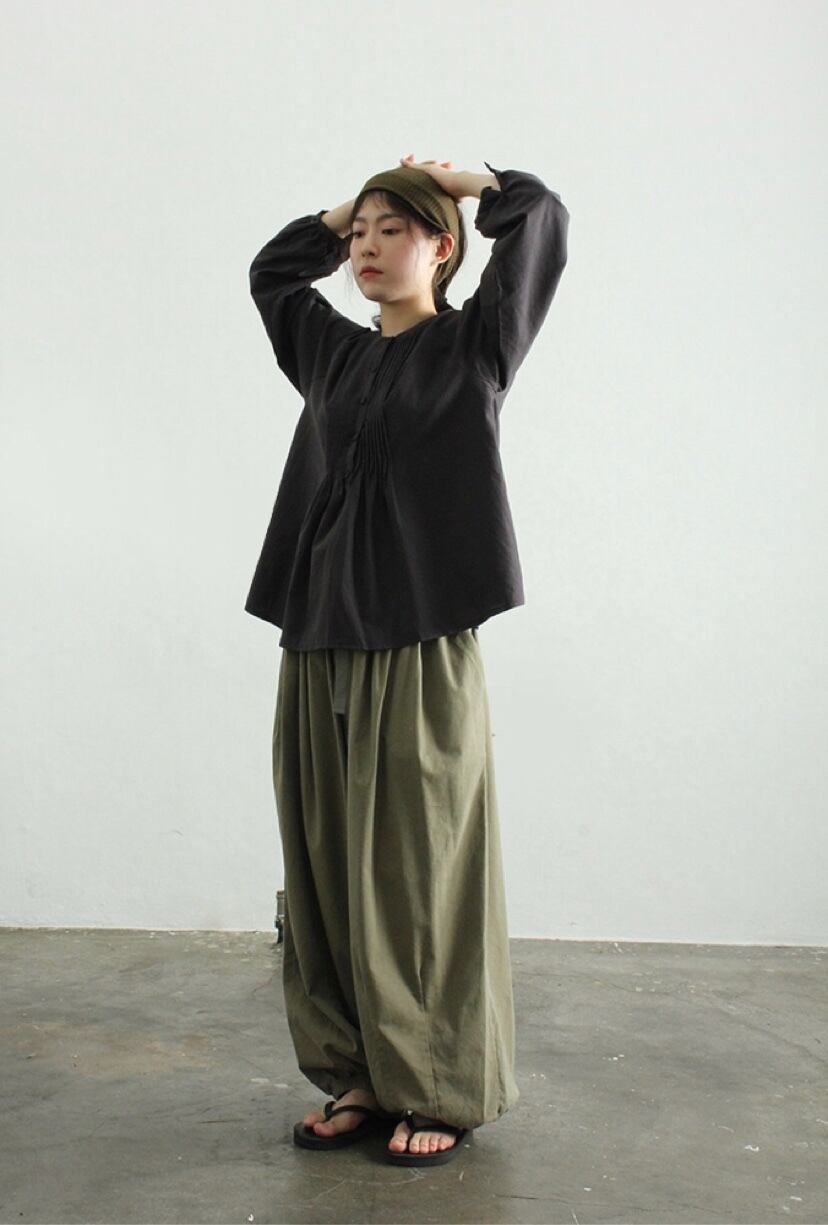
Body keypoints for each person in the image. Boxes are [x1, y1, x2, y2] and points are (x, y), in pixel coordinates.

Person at [245, 155, 569, 1165]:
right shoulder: (331, 356)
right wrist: (347, 204)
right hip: (317, 635)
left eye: (392, 231)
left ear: (442, 247)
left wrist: (468, 182)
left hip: (421, 640)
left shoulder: (477, 345)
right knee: (325, 864)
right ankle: (353, 1070)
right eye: (359, 236)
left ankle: (436, 1082)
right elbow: (271, 273)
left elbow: (541, 219)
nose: (366, 250)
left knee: (420, 865)